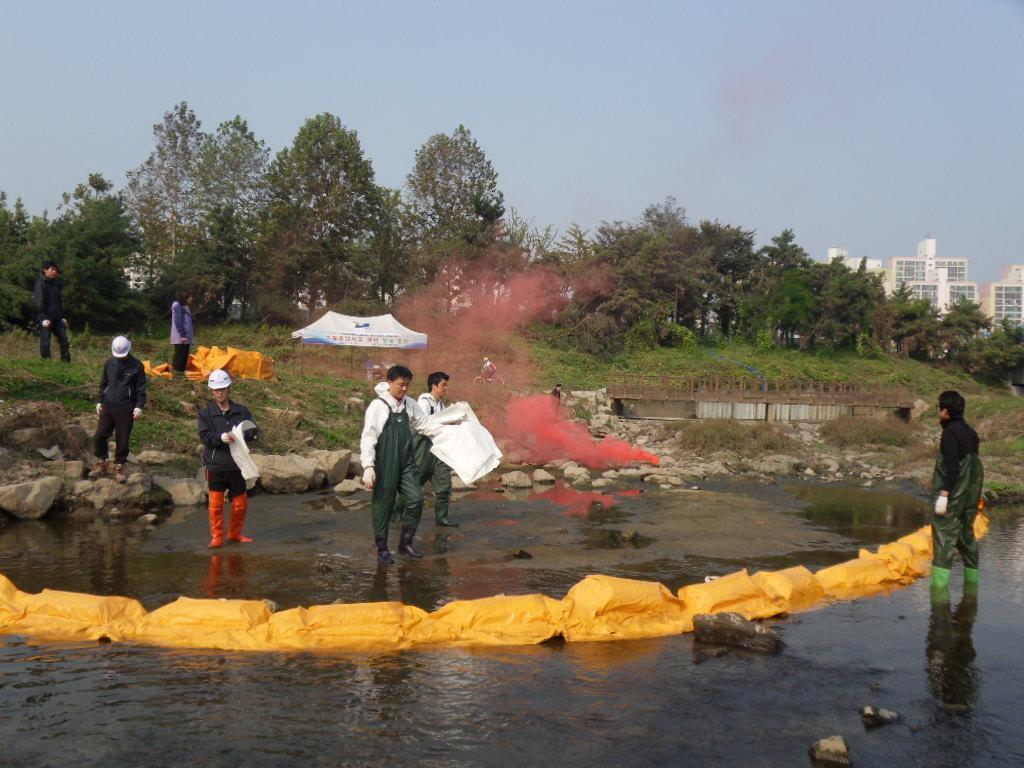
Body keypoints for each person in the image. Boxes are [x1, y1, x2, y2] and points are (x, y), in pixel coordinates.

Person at [360, 364, 432, 564]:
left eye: (408, 385)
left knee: (416, 498)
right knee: (383, 504)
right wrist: (368, 466)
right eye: (401, 385)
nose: (405, 389)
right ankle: (382, 548)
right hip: (385, 462)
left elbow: (424, 425)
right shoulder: (379, 406)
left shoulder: (409, 404)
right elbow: (368, 436)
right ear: (389, 382)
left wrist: (450, 426)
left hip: (406, 461)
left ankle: (405, 544)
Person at [930, 390, 983, 596]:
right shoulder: (971, 433)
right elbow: (974, 466)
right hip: (970, 494)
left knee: (943, 534)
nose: (938, 411)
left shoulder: (950, 433)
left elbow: (952, 467)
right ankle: (971, 589)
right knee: (965, 533)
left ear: (945, 411)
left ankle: (939, 596)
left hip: (952, 493)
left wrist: (944, 495)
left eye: (939, 407)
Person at [198, 369, 258, 548]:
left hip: (236, 464)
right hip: (216, 465)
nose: (219, 392)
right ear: (211, 391)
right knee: (215, 505)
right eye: (216, 389)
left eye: (223, 388)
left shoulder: (241, 411)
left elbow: (252, 430)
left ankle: (235, 534)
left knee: (240, 504)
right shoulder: (206, 414)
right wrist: (220, 438)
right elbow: (205, 436)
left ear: (229, 388)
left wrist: (241, 436)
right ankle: (217, 537)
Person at [89, 336, 146, 483]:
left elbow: (141, 388)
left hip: (126, 407)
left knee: (123, 438)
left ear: (129, 349)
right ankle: (101, 462)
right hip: (108, 406)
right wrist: (99, 400)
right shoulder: (109, 363)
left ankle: (119, 466)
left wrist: (139, 406)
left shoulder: (137, 366)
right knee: (99, 435)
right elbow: (103, 383)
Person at [415, 371, 457, 528]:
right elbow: (424, 425)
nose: (446, 388)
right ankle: (397, 514)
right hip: (423, 449)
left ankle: (442, 518)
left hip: (440, 450)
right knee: (413, 484)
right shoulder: (424, 402)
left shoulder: (441, 405)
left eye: (446, 385)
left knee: (444, 485)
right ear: (434, 386)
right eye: (443, 385)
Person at [34, 260, 70, 362]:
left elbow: (59, 302)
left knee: (65, 341)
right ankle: (46, 364)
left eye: (56, 270)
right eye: (52, 269)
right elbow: (39, 302)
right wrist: (44, 318)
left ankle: (66, 364)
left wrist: (62, 317)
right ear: (45, 270)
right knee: (45, 342)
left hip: (57, 318)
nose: (55, 272)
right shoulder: (40, 284)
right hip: (46, 318)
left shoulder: (56, 284)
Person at [170, 290, 194, 373]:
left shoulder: (184, 306)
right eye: (190, 297)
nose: (192, 299)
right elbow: (178, 321)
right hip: (180, 336)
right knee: (180, 354)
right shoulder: (177, 306)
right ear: (185, 298)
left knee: (185, 353)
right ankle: (177, 371)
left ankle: (182, 370)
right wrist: (182, 335)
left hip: (185, 336)